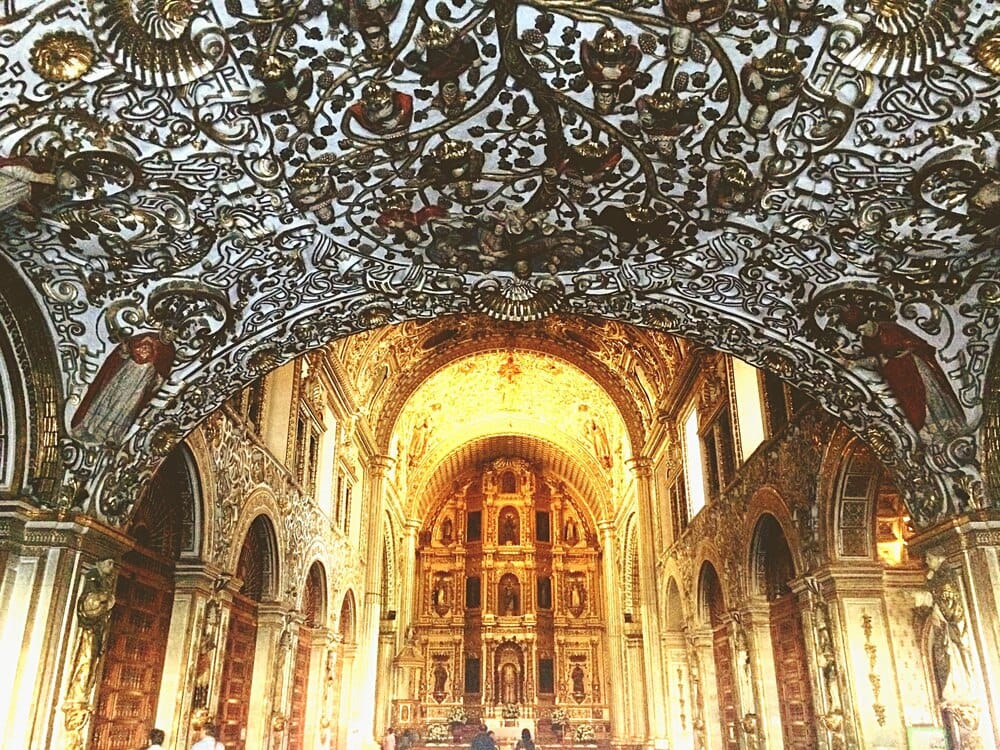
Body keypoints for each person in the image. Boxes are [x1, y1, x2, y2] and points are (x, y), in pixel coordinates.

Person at [71, 331, 176, 444]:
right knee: (109, 398)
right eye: (168, 331)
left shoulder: (169, 350)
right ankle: (90, 426)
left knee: (125, 407)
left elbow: (162, 371)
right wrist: (126, 349)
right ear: (164, 328)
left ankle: (110, 434)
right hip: (127, 372)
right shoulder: (148, 337)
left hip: (141, 380)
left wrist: (157, 381)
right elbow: (126, 349)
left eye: (172, 334)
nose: (168, 335)